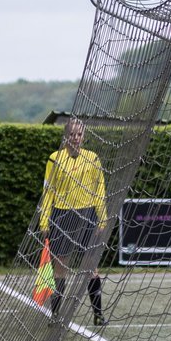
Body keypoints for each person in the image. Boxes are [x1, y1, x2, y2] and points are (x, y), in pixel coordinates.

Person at [39, 116, 108, 325]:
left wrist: (102, 219)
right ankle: (55, 315)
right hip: (61, 216)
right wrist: (44, 222)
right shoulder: (54, 159)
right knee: (60, 268)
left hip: (87, 216)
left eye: (79, 134)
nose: (76, 138)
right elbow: (48, 192)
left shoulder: (93, 158)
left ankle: (98, 315)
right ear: (65, 136)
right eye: (72, 134)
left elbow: (99, 191)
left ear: (84, 136)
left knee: (90, 268)